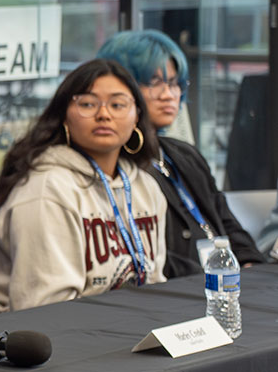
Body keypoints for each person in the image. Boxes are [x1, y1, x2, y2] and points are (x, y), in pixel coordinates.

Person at [0, 58, 166, 314]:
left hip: (122, 328)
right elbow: (46, 310)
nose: (104, 114)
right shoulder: (46, 190)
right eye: (88, 104)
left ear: (137, 118)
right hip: (44, 338)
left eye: (118, 105)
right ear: (64, 116)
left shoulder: (146, 188)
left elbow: (154, 284)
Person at [95, 29, 265, 275]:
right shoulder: (116, 166)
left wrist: (252, 267)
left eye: (174, 82)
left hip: (224, 285)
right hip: (180, 290)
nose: (169, 94)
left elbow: (226, 222)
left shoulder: (184, 154)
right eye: (155, 82)